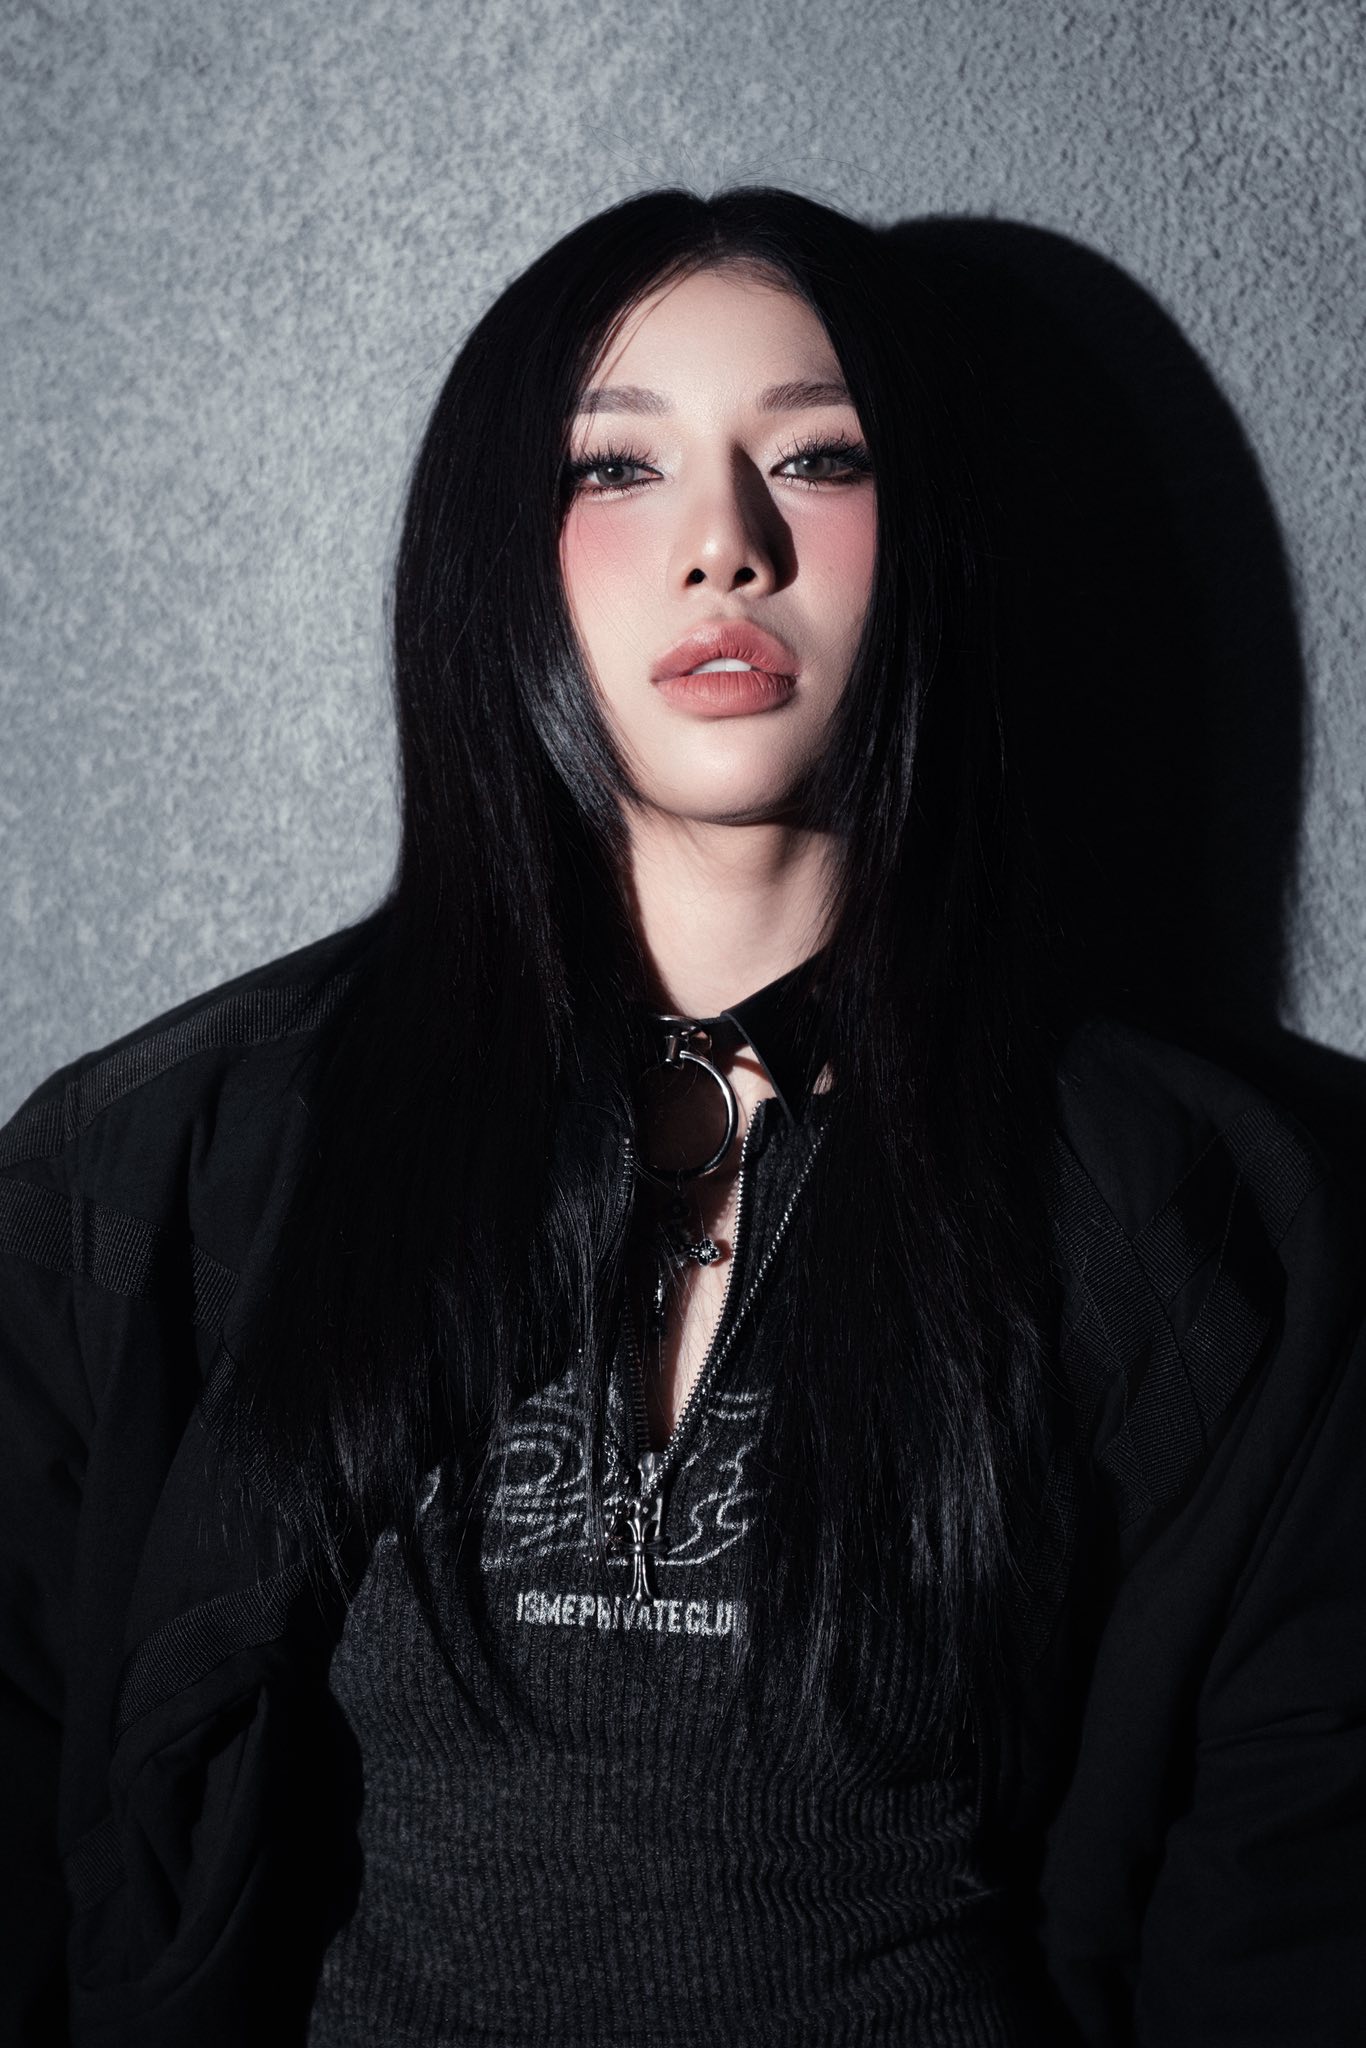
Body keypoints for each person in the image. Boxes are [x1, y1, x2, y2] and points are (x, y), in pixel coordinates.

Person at [2, 186, 1363, 2048]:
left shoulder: (1225, 1232)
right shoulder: (164, 1173)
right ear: (496, 556)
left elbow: (1288, 1920)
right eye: (616, 469)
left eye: (817, 458)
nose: (726, 545)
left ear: (935, 538)